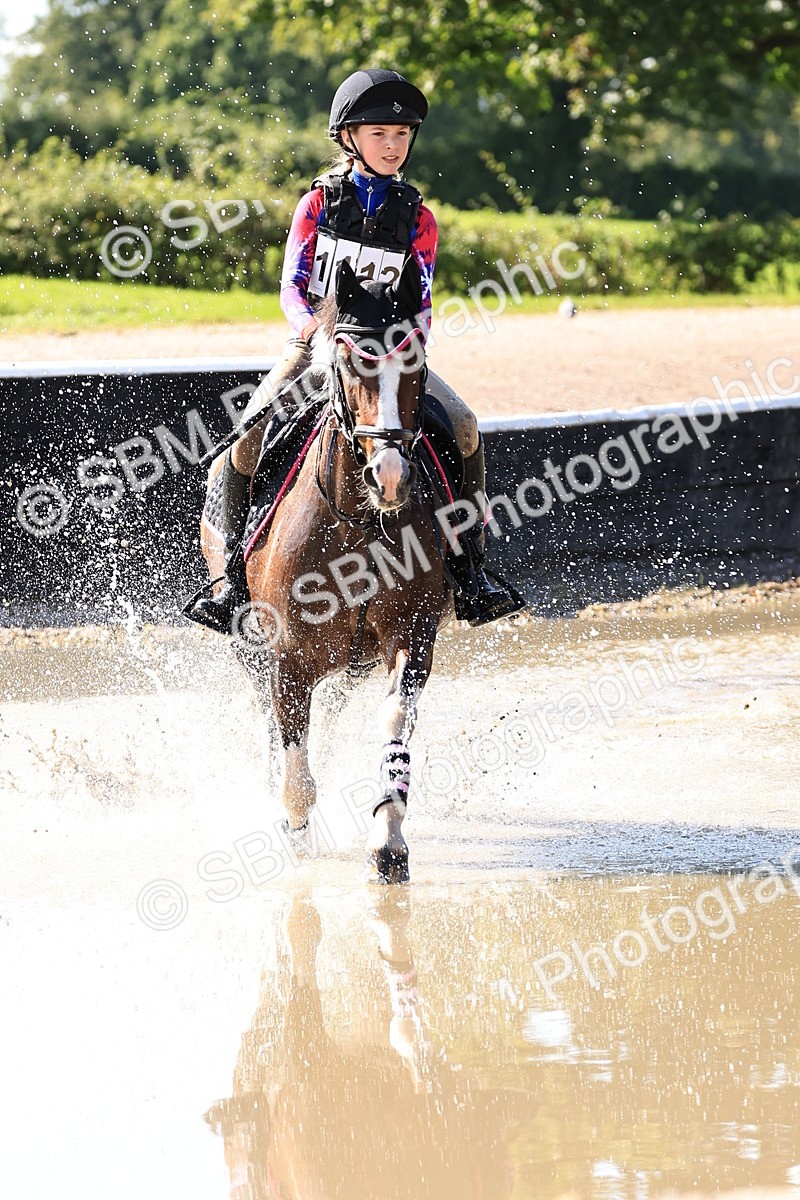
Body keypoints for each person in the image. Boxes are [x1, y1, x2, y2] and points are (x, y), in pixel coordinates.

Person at [188, 68, 524, 631]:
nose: (393, 146)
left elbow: (422, 297)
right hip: (319, 344)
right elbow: (292, 285)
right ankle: (227, 586)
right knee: (245, 436)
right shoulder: (317, 205)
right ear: (349, 138)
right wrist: (312, 331)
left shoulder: (420, 218)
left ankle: (470, 571)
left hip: (393, 354)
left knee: (463, 425)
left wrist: (411, 344)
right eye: (379, 135)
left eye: (402, 135)